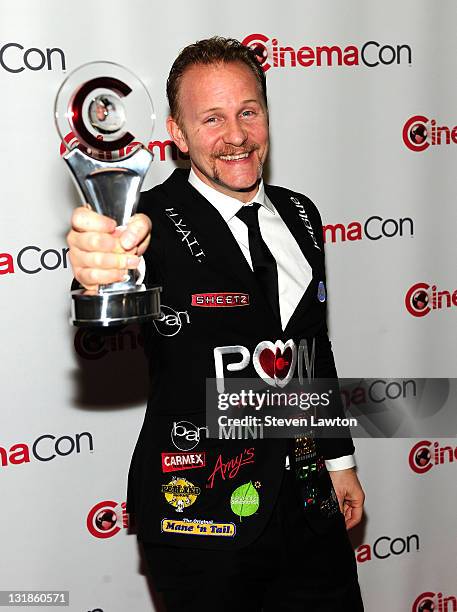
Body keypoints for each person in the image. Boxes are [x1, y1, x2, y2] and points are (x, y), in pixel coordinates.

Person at [67, 36, 365, 611]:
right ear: (177, 134)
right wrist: (95, 274)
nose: (236, 135)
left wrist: (339, 460)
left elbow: (310, 350)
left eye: (248, 112)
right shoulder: (143, 219)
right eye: (212, 118)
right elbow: (107, 285)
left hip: (309, 502)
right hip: (199, 511)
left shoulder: (302, 213)